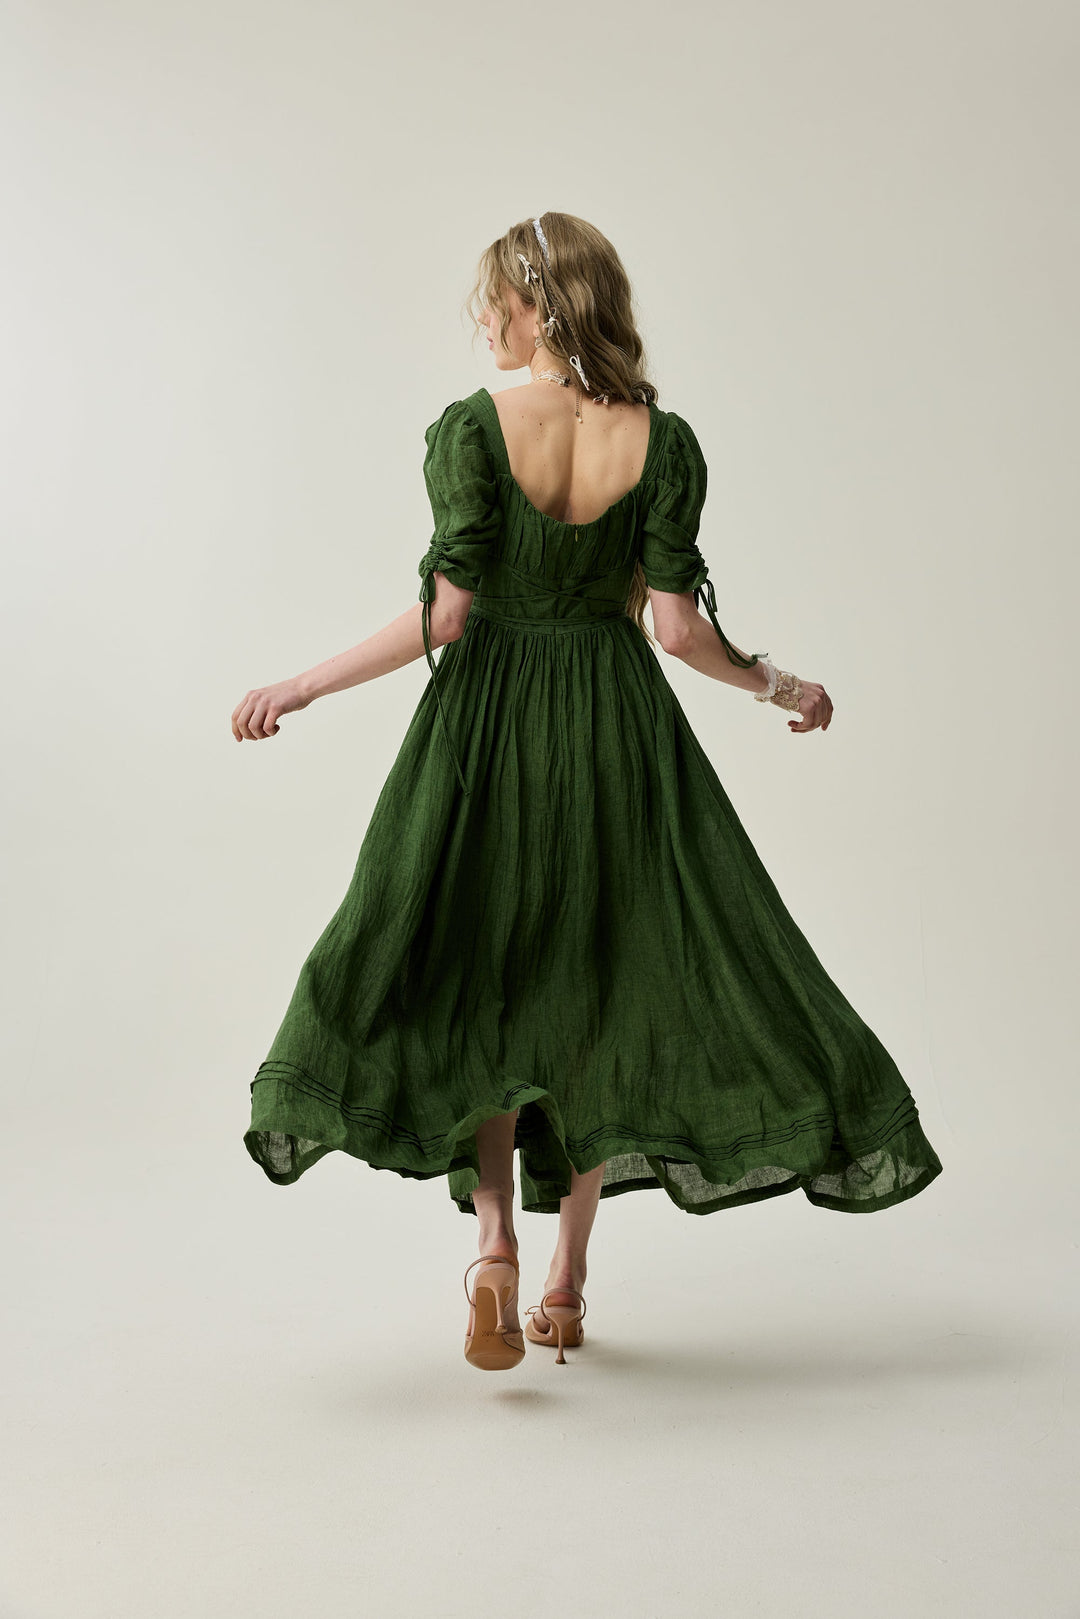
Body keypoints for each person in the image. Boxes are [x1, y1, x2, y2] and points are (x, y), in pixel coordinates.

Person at [233, 212, 943, 1373]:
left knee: (483, 980)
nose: (485, 319)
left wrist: (301, 684)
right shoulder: (663, 442)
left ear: (542, 305)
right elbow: (677, 629)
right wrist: (783, 684)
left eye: (499, 300)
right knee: (602, 984)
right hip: (618, 730)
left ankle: (496, 1250)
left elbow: (449, 613)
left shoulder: (475, 430)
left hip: (487, 730)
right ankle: (565, 1285)